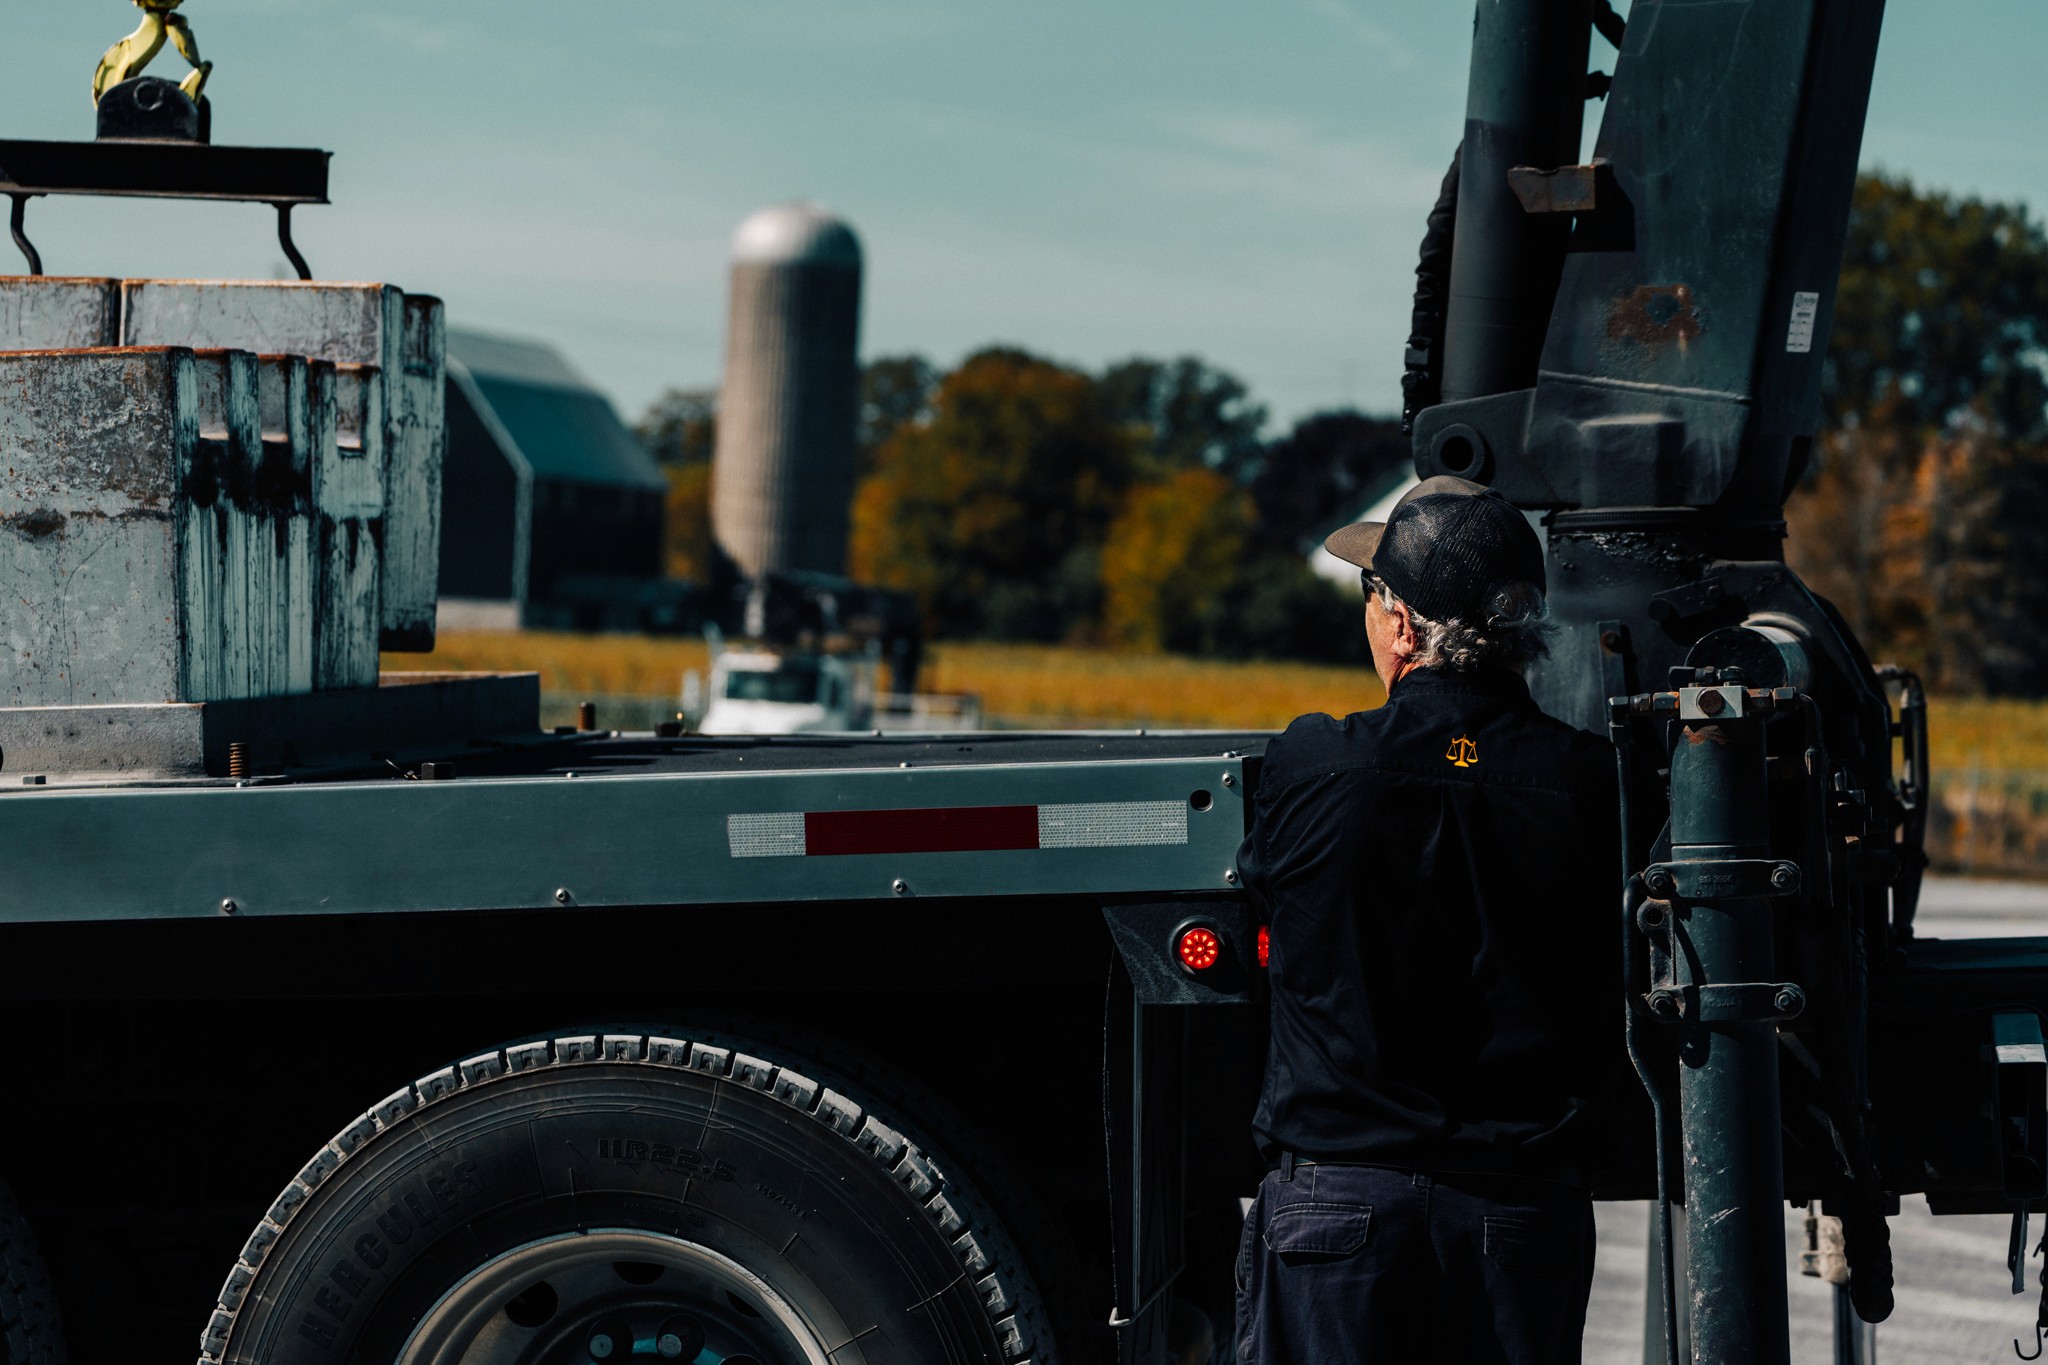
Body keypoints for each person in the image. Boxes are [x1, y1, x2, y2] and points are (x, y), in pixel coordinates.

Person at [1234, 475, 1621, 1364]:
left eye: (1373, 596)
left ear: (1402, 624)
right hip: (1520, 1215)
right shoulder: (1593, 785)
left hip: (1339, 1206)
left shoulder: (1316, 762)